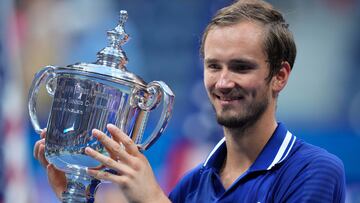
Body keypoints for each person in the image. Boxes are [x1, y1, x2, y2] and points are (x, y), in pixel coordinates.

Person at [34, 0, 346, 202]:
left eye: (241, 67)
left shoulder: (314, 171)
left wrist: (155, 200)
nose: (223, 82)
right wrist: (74, 194)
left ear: (279, 76)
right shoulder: (194, 184)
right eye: (214, 66)